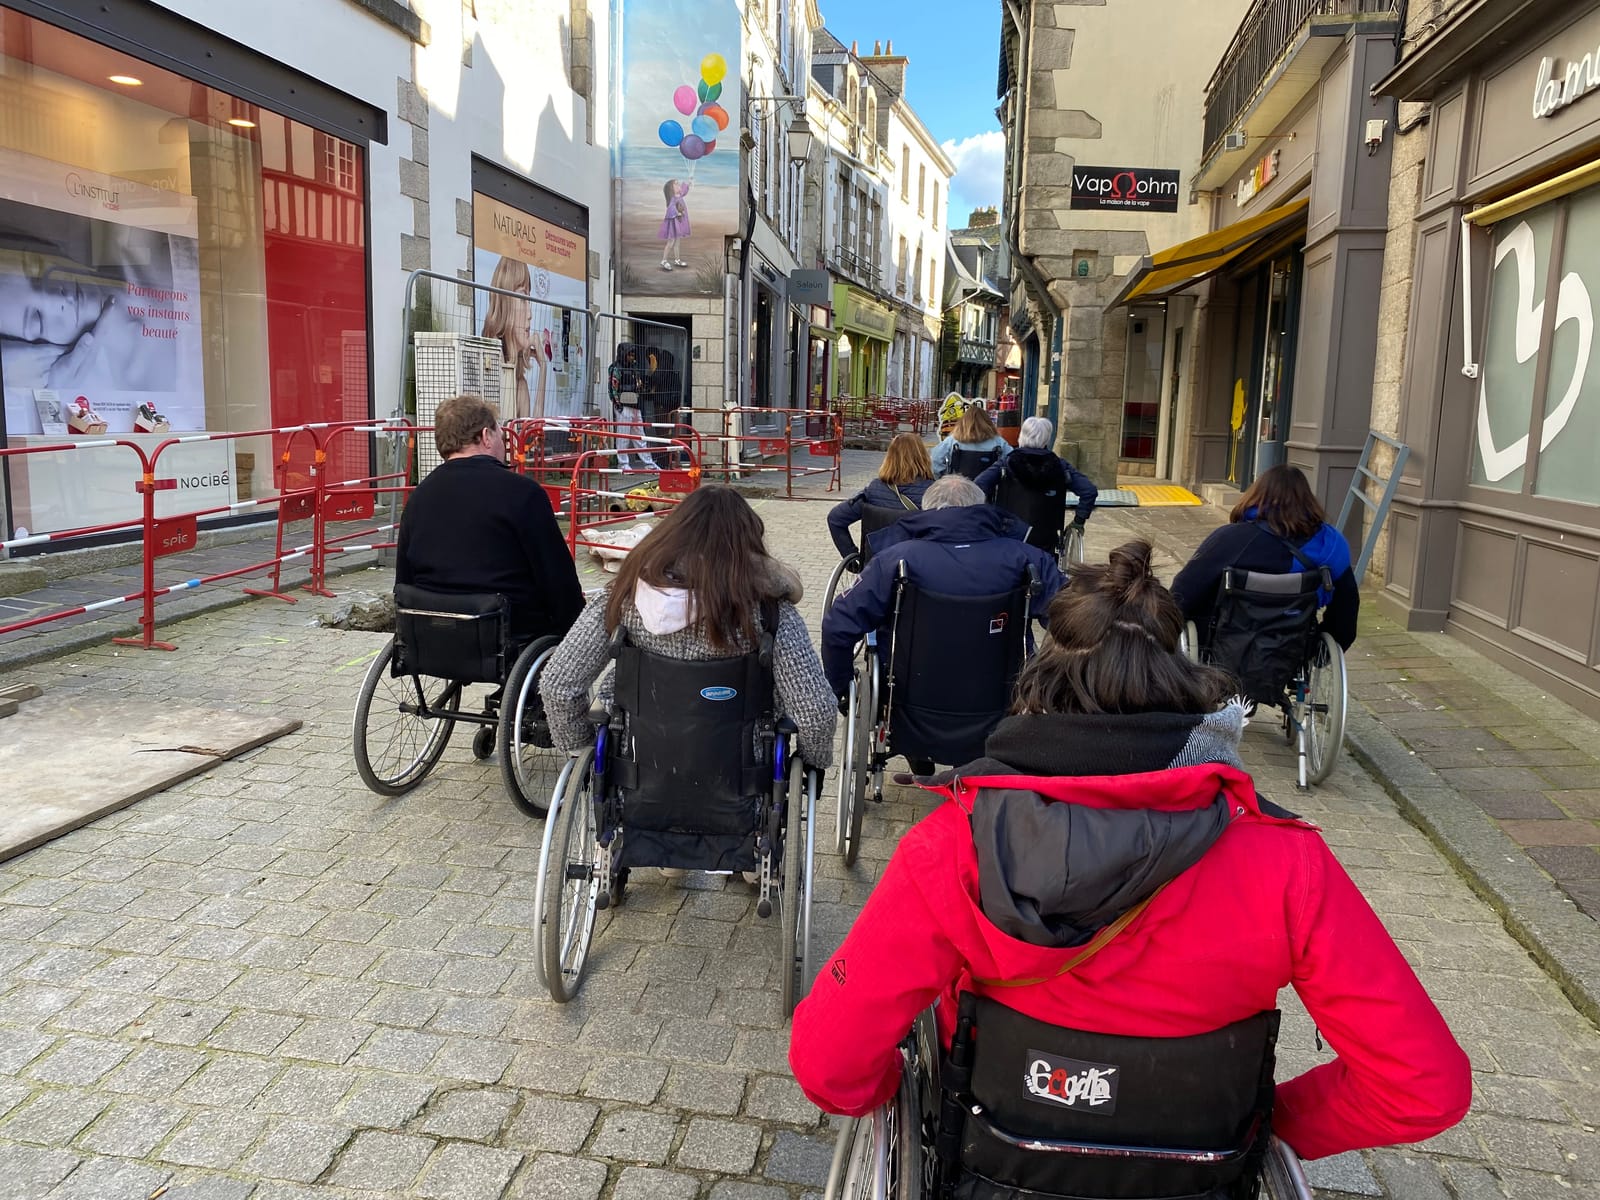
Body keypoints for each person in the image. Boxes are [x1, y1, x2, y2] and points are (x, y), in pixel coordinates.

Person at [790, 541, 1471, 1165]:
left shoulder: (954, 845)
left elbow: (829, 1066)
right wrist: (1269, 1127)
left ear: (1036, 688)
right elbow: (1422, 1087)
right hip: (1198, 1169)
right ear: (1184, 686)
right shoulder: (1288, 863)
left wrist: (903, 1095)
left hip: (992, 1153)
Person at [540, 484, 836, 771]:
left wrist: (583, 752)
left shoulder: (623, 598)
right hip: (744, 779)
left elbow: (558, 684)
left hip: (633, 770)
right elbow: (815, 711)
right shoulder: (771, 613)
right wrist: (812, 765)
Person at [819, 476, 1065, 770]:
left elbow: (837, 626)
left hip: (908, 711)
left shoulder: (895, 560)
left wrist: (843, 690)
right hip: (1001, 709)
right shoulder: (1028, 560)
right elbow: (1073, 622)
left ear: (927, 510)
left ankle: (920, 756)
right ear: (981, 508)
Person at [396, 394, 582, 648]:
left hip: (431, 630)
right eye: (501, 437)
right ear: (486, 436)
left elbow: (404, 577)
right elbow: (557, 576)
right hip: (507, 631)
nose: (504, 446)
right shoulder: (523, 493)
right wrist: (578, 624)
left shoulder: (418, 496)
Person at [1171, 463, 1359, 651]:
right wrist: (1322, 652)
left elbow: (1183, 592)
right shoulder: (1331, 545)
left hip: (1225, 644)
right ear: (1308, 501)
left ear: (1257, 496)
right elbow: (1347, 609)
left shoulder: (1229, 539)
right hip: (1293, 647)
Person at [975, 415, 1098, 553]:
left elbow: (978, 486)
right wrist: (1078, 521)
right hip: (1045, 539)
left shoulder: (1007, 463)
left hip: (1008, 536)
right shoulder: (1060, 466)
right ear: (1047, 439)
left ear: (1021, 436)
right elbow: (1089, 491)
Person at [825, 433, 935, 560]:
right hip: (919, 563)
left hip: (878, 564)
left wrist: (852, 557)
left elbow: (835, 518)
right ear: (923, 457)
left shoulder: (874, 489)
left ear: (889, 457)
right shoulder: (934, 492)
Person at [481, 256, 550, 420]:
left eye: (529, 300)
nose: (530, 315)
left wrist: (544, 369)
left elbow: (533, 436)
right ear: (504, 303)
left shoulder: (520, 385)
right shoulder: (486, 372)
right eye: (522, 298)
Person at [930, 403, 1011, 478]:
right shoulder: (998, 442)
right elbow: (1012, 460)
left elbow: (935, 460)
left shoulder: (952, 441)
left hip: (958, 487)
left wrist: (944, 478)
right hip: (989, 487)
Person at [659, 176, 692, 270]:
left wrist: (688, 183)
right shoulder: (673, 198)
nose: (679, 185)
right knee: (671, 242)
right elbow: (670, 208)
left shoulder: (679, 195)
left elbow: (684, 191)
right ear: (671, 188)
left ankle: (677, 259)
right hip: (673, 223)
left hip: (679, 222)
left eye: (678, 183)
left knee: (677, 241)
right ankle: (664, 260)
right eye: (676, 184)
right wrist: (678, 213)